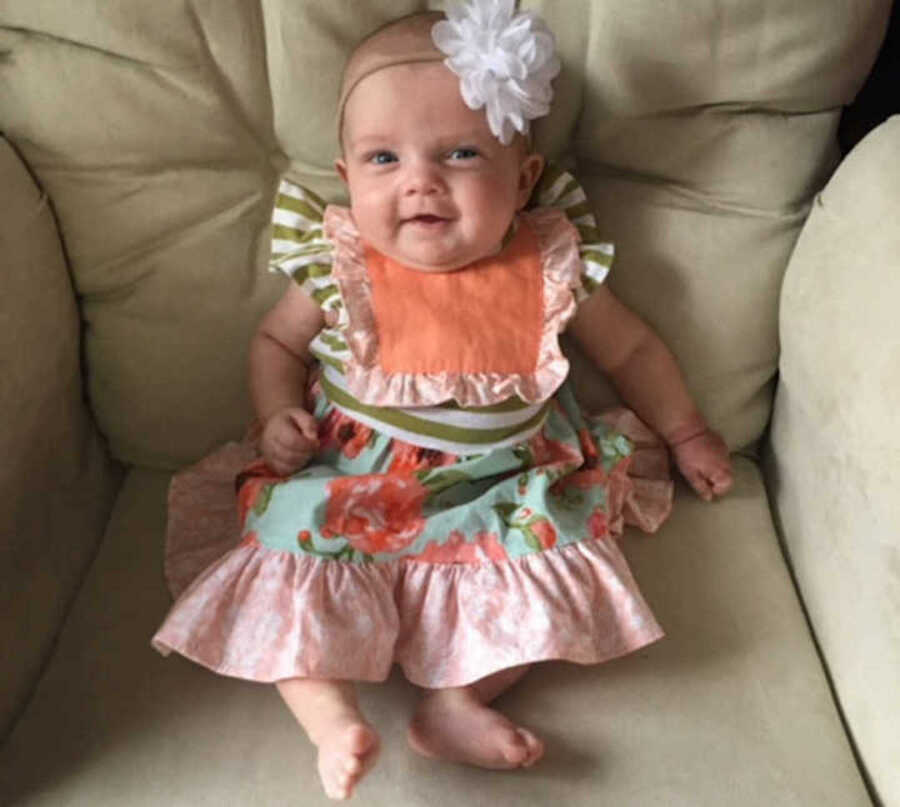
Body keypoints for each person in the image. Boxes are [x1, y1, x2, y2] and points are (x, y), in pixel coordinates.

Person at [153, 2, 733, 800]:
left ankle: (456, 703)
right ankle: (332, 720)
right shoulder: (341, 266)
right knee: (286, 537)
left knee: (552, 550)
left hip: (503, 484)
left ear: (523, 179)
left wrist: (690, 429)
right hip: (352, 473)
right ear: (348, 175)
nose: (419, 181)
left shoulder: (551, 262)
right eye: (383, 158)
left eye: (460, 152)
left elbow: (630, 349)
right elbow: (275, 345)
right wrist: (275, 414)